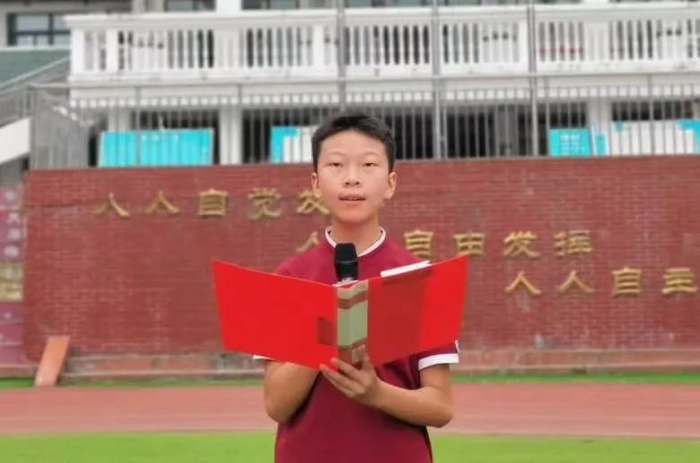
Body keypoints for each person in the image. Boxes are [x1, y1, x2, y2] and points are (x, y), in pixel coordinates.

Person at [259, 113, 459, 463]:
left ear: (391, 183)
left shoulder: (420, 277)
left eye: (368, 165)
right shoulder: (289, 277)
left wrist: (376, 393)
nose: (352, 178)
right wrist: (326, 336)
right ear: (316, 182)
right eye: (336, 165)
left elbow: (440, 406)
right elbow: (277, 405)